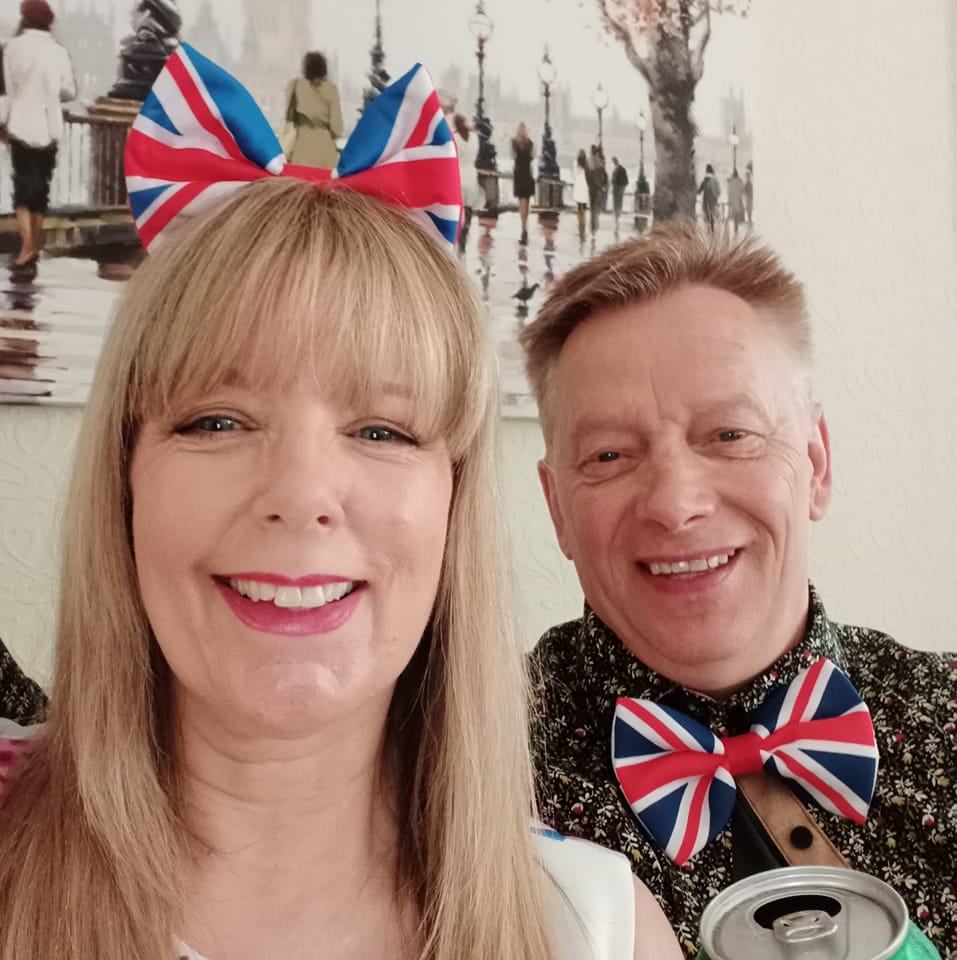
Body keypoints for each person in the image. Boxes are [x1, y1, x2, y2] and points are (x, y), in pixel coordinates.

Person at [0, 49, 681, 960]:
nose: (299, 496)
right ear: (124, 482)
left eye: (381, 430)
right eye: (216, 420)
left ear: (454, 505)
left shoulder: (596, 929)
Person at [519, 221, 957, 956]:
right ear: (557, 507)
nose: (675, 504)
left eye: (730, 435)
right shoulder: (457, 762)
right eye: (609, 455)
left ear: (816, 464)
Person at [2, 0, 76, 272]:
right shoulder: (58, 51)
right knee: (40, 188)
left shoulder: (12, 48)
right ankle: (33, 245)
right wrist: (51, 93)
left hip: (21, 124)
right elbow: (69, 91)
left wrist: (2, 122)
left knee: (22, 188)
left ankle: (27, 245)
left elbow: (6, 91)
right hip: (50, 125)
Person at [283, 50, 343, 168]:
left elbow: (289, 117)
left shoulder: (295, 85)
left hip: (301, 147)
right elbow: (337, 128)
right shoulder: (331, 90)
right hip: (325, 150)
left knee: (300, 179)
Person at [452, 112, 482, 255]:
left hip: (459, 175)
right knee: (469, 209)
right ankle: (465, 231)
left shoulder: (455, 138)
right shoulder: (474, 138)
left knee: (459, 208)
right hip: (471, 175)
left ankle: (458, 234)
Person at [511, 122, 535, 246]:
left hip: (519, 174)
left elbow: (513, 156)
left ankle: (524, 230)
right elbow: (532, 156)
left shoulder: (514, 143)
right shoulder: (530, 144)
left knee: (522, 205)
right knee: (526, 204)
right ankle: (525, 229)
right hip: (527, 174)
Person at [587, 144, 608, 237]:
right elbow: (604, 175)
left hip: (592, 187)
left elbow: (587, 175)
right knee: (596, 207)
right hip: (598, 188)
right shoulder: (600, 162)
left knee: (593, 207)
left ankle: (593, 226)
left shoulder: (589, 161)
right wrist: (603, 185)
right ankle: (594, 225)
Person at [697, 163, 720, 234]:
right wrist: (716, 197)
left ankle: (708, 229)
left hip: (706, 199)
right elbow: (719, 191)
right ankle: (712, 229)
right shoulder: (715, 180)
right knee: (712, 213)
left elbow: (699, 190)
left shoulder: (706, 179)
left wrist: (698, 191)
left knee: (707, 214)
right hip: (713, 199)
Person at [573, 149, 589, 244]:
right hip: (585, 189)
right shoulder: (587, 165)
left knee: (579, 212)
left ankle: (580, 230)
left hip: (578, 189)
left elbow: (574, 175)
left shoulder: (576, 164)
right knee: (584, 212)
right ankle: (583, 231)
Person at [726, 168, 745, 235]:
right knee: (737, 213)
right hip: (738, 199)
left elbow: (728, 192)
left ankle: (735, 226)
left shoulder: (730, 182)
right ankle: (736, 227)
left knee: (734, 213)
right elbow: (742, 190)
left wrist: (729, 200)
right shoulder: (740, 181)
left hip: (732, 199)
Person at [611, 156, 628, 227]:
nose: (613, 162)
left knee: (617, 200)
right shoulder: (621, 168)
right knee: (619, 200)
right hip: (620, 187)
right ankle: (618, 213)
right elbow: (626, 180)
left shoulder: (617, 169)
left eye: (613, 161)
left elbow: (615, 179)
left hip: (617, 187)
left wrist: (615, 184)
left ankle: (617, 214)